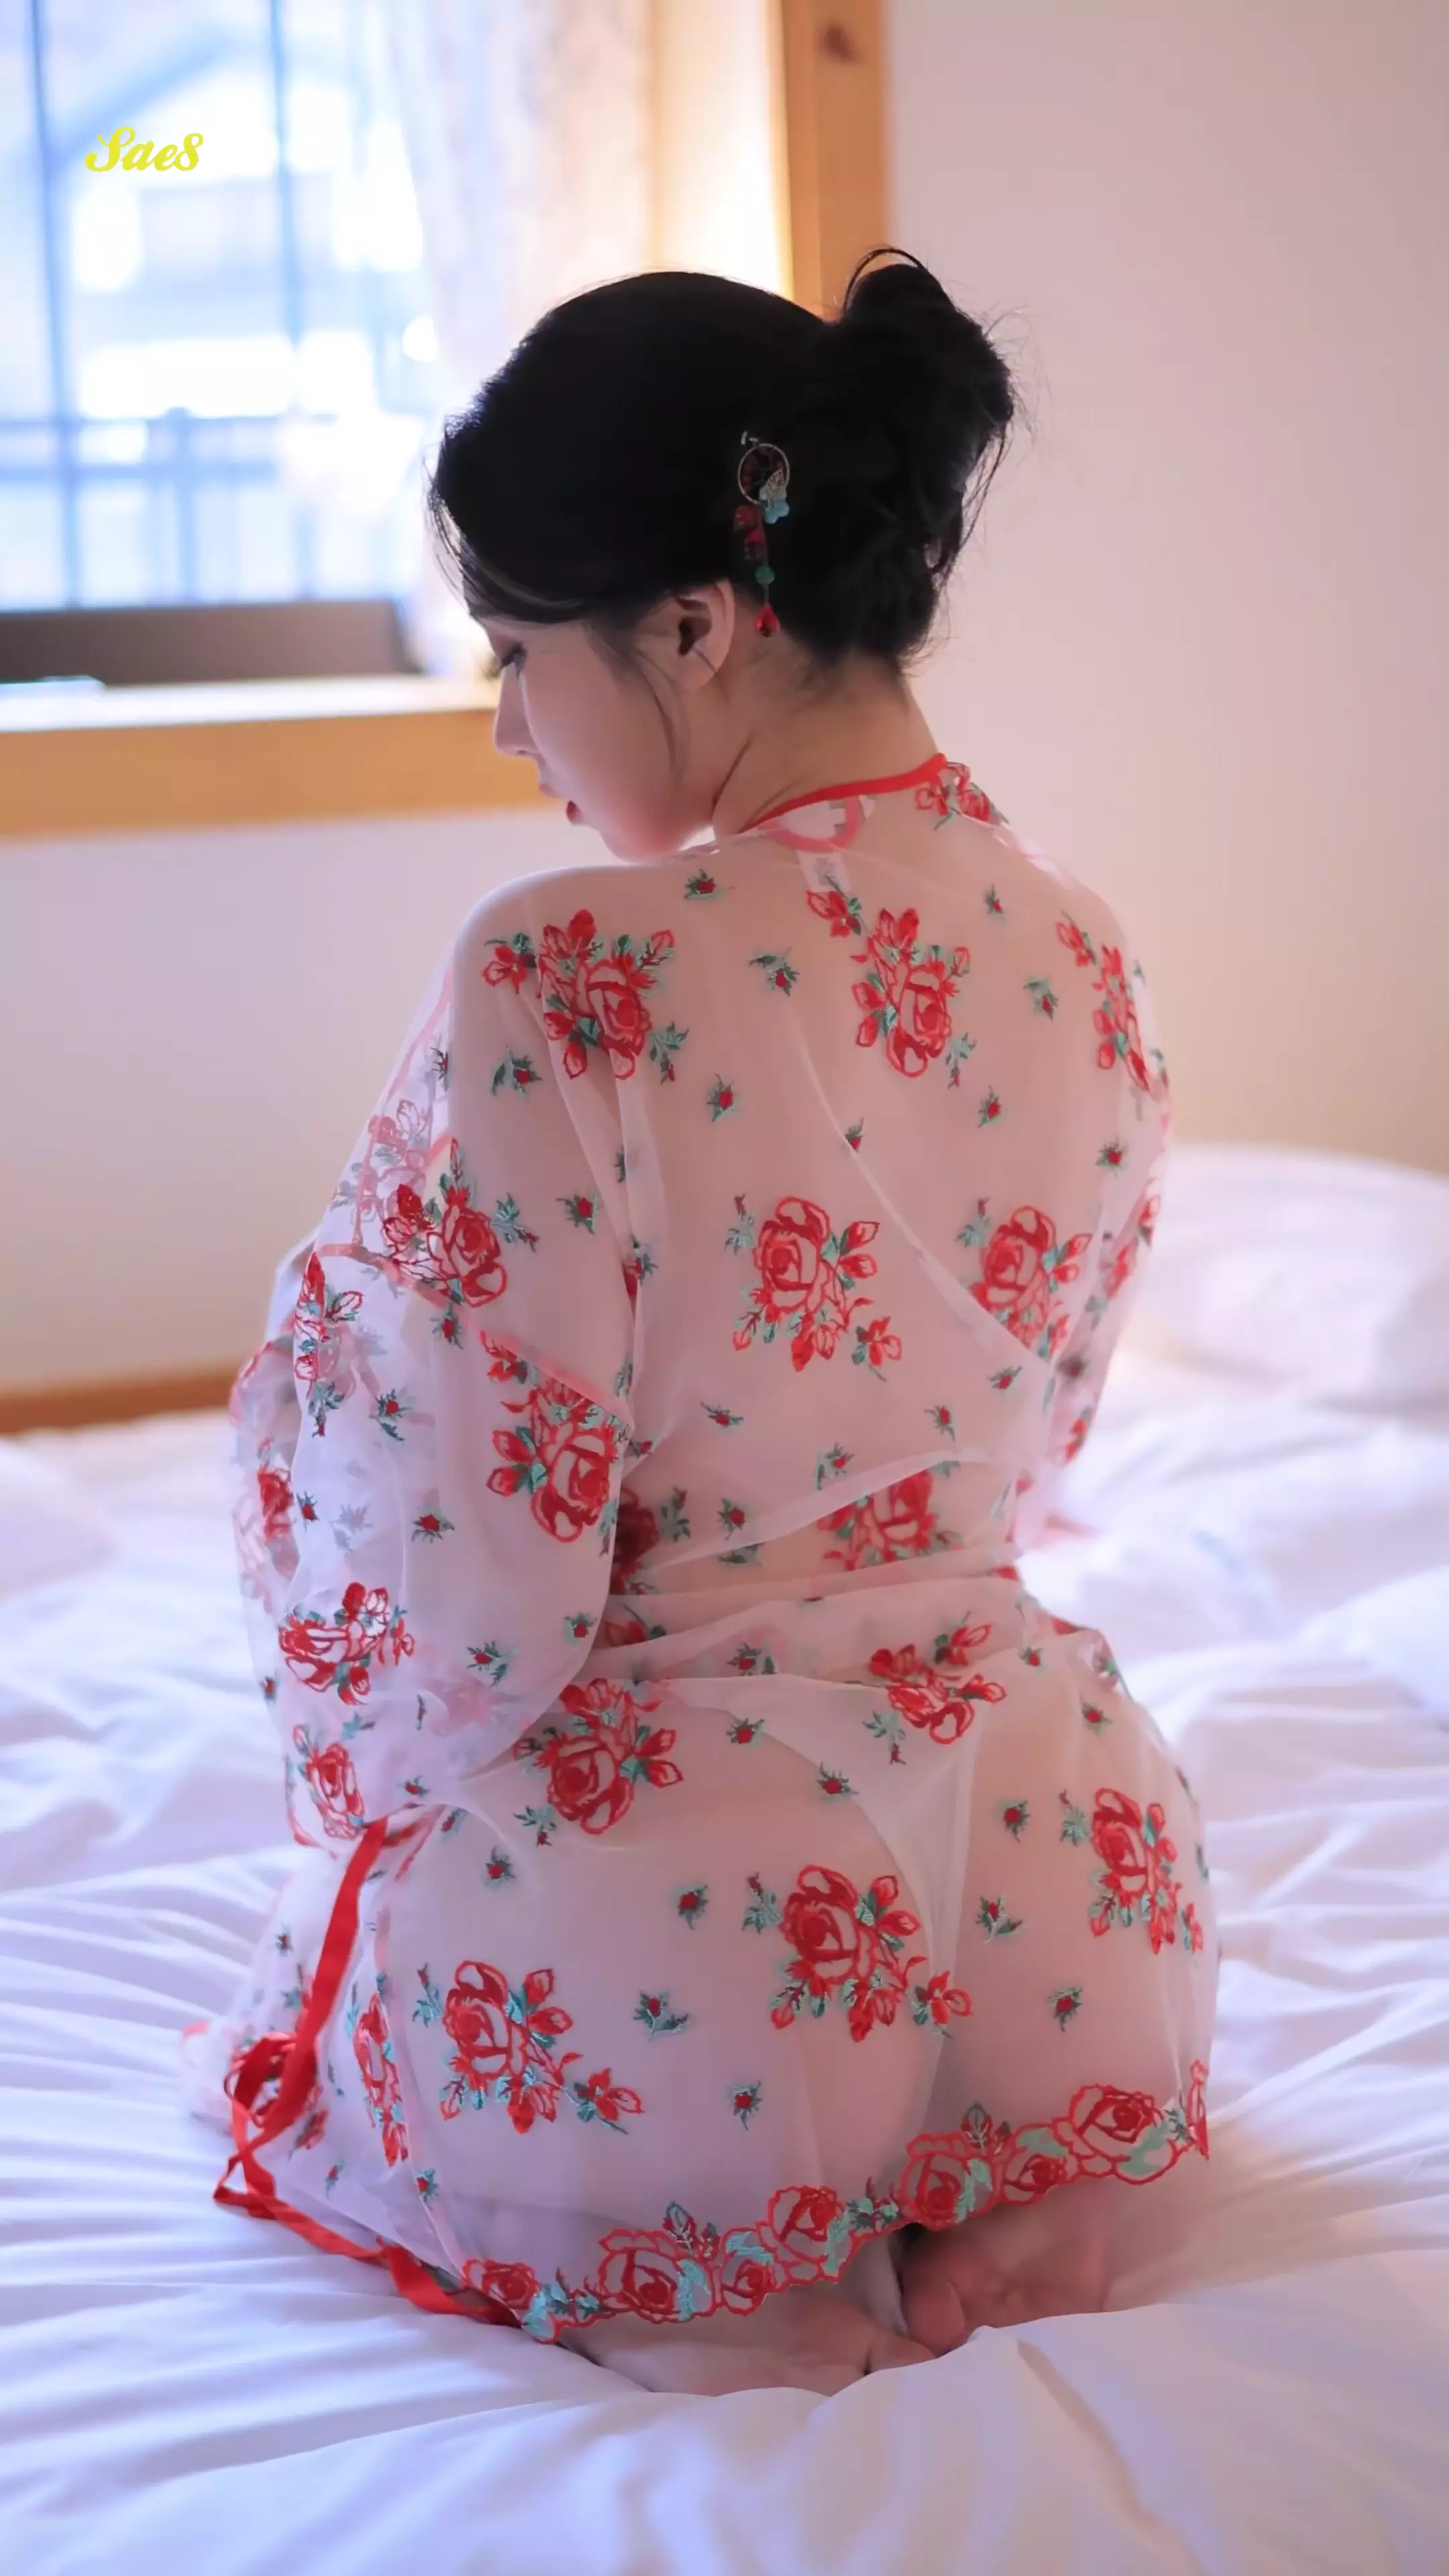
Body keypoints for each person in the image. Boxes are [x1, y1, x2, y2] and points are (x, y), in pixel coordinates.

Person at [186, 250, 1216, 2397]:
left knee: (392, 1941)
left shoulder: (565, 968)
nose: (507, 724)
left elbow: (466, 1576)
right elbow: (1039, 1450)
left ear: (689, 624)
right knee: (979, 1904)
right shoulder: (1086, 951)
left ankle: (738, 2259)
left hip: (693, 1946)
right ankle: (992, 2168)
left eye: (516, 651)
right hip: (1053, 1872)